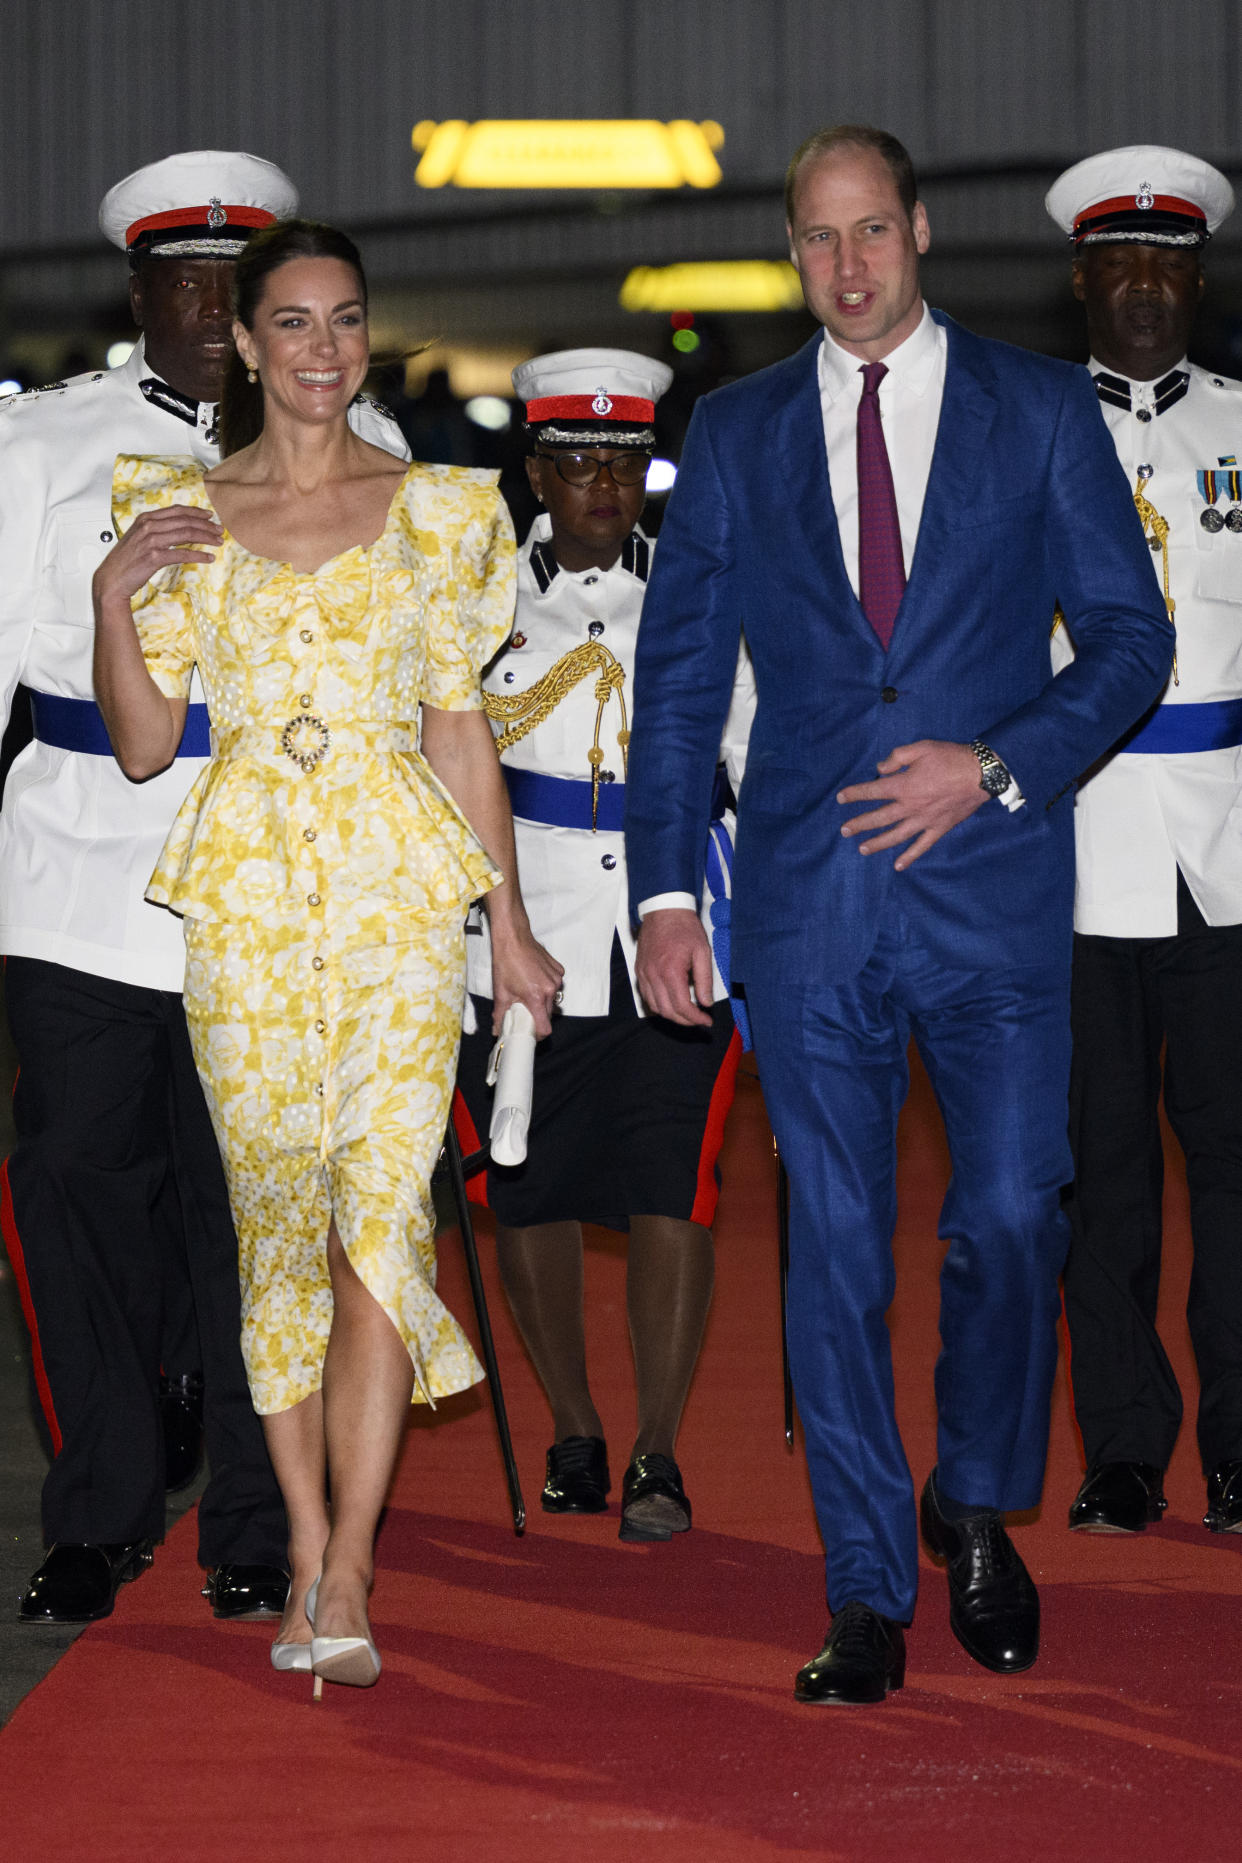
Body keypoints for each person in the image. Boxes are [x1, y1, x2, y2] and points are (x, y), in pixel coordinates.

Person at [625, 124, 1174, 1705]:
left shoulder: (1034, 407)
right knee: (836, 1253)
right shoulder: (728, 435)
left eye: (871, 232)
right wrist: (669, 891)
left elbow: (1129, 643)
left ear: (921, 230)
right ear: (789, 250)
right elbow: (674, 692)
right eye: (817, 239)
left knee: (1012, 1211)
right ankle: (866, 1581)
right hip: (803, 904)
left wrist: (997, 766)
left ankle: (976, 1499)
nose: (847, 268)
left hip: (993, 894)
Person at [92, 218, 561, 1690]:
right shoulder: (179, 511)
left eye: (343, 321)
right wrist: (112, 598)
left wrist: (511, 920)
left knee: (380, 1225)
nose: (320, 351)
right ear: (242, 342)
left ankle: (350, 1560)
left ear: (367, 334)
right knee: (279, 1238)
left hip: (394, 906)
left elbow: (458, 728)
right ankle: (298, 1539)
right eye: (289, 325)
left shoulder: (436, 512)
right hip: (245, 916)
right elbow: (142, 741)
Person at [0, 152, 406, 1626]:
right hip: (77, 875)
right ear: (141, 292)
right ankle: (100, 1508)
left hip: (278, 886)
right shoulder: (42, 445)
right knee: (73, 1192)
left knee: (261, 1214)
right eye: (185, 283)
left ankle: (250, 1510)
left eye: (238, 290)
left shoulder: (354, 439)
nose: (212, 310)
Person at [453, 350, 754, 1540]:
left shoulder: (698, 590)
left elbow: (752, 753)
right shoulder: (474, 601)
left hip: (673, 929)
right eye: (576, 463)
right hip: (524, 936)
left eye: (623, 464)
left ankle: (659, 1452)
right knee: (527, 1190)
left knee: (673, 1181)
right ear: (534, 472)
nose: (603, 487)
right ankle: (574, 1426)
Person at [1045, 148, 1242, 1538]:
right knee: (1096, 1171)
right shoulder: (1025, 437)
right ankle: (1122, 1443)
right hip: (1073, 852)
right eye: (1117, 267)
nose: (1141, 291)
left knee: (1233, 1171)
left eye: (1165, 267)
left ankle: (1238, 1444)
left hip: (1230, 847)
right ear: (1080, 282)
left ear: (1194, 280)